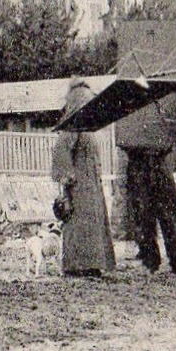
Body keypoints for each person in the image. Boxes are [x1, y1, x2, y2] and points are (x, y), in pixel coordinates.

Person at [52, 82, 116, 277]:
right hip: (78, 186)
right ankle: (77, 265)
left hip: (91, 185)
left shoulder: (86, 127)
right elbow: (61, 154)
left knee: (93, 224)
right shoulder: (72, 127)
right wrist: (67, 179)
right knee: (80, 224)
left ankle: (93, 263)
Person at [125, 147, 176, 273]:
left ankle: (157, 261)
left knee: (150, 222)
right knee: (164, 222)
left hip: (147, 178)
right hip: (156, 177)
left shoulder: (137, 150)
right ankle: (173, 260)